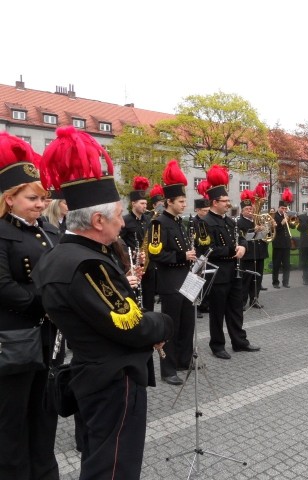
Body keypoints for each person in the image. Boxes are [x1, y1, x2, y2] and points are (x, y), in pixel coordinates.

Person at [33, 126, 172, 479]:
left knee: (98, 458)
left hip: (92, 370)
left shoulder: (61, 255)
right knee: (113, 467)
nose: (120, 223)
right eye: (115, 216)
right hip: (113, 378)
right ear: (97, 221)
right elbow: (131, 325)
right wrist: (163, 323)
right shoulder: (88, 264)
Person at [0, 133, 60, 480]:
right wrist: (44, 303)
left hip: (48, 335)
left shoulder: (50, 231)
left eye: (43, 198)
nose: (40, 204)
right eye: (33, 198)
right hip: (14, 336)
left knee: (44, 410)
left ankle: (44, 471)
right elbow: (3, 286)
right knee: (12, 417)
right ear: (9, 199)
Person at [201, 165, 260, 359]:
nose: (228, 203)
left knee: (236, 309)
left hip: (235, 272)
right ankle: (217, 345)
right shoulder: (205, 222)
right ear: (214, 202)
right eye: (225, 201)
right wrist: (232, 250)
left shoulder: (230, 221)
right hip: (218, 274)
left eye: (228, 200)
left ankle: (239, 341)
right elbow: (206, 250)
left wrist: (243, 246)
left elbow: (242, 238)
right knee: (217, 313)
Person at [148, 160, 197, 385]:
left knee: (188, 323)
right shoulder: (158, 224)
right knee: (170, 327)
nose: (184, 205)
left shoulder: (180, 222)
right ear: (169, 201)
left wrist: (191, 255)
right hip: (170, 282)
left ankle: (184, 360)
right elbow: (156, 255)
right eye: (181, 201)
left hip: (186, 279)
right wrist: (182, 256)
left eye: (185, 201)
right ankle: (168, 369)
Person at [120, 176, 156, 312]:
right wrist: (132, 252)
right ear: (133, 203)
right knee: (135, 297)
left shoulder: (148, 219)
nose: (145, 206)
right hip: (134, 266)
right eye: (141, 203)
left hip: (149, 265)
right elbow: (120, 243)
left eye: (145, 203)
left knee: (149, 297)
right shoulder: (125, 220)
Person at [237, 188, 269, 310]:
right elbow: (240, 237)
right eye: (247, 209)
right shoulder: (239, 222)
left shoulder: (258, 220)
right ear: (242, 211)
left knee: (258, 278)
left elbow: (266, 236)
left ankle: (254, 299)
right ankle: (242, 302)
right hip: (248, 254)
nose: (250, 211)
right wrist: (253, 230)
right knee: (247, 279)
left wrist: (267, 228)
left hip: (260, 253)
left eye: (251, 209)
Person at [193, 184, 212, 318]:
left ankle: (205, 304)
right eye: (204, 210)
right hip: (198, 254)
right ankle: (196, 306)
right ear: (198, 210)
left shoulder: (208, 221)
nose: (206, 213)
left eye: (208, 210)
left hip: (208, 254)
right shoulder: (194, 222)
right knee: (197, 280)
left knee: (207, 280)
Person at [272, 188, 295, 288]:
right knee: (276, 265)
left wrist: (290, 220)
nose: (284, 210)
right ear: (279, 208)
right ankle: (275, 282)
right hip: (277, 244)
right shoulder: (274, 216)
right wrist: (282, 222)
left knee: (286, 265)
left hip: (286, 244)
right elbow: (275, 228)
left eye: (285, 208)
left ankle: (285, 282)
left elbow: (293, 226)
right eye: (282, 208)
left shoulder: (287, 216)